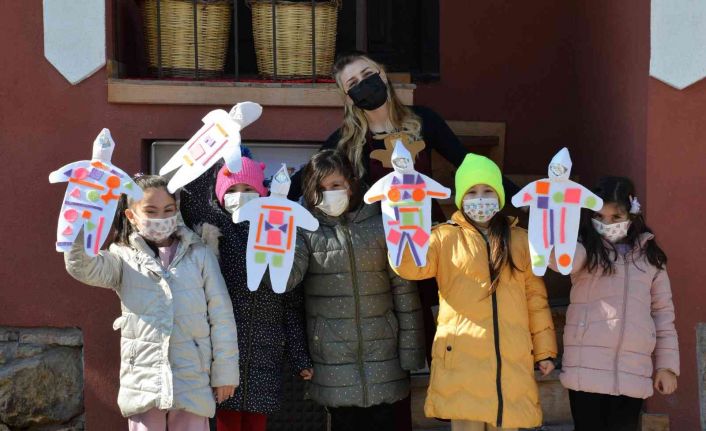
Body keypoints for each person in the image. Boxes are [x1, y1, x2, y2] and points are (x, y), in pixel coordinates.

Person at [393, 154, 557, 431]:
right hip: (462, 360)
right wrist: (401, 227)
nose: (480, 198)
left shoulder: (519, 240)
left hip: (510, 361)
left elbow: (535, 300)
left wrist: (545, 351)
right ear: (460, 198)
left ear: (499, 196)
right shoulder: (444, 237)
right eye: (472, 192)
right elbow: (410, 267)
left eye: (487, 191)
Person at [63, 174, 239, 431]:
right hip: (143, 379)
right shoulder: (122, 257)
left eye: (168, 210)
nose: (160, 218)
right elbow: (84, 267)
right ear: (131, 216)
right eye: (150, 211)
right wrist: (79, 225)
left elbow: (221, 316)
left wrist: (225, 373)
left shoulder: (199, 254)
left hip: (192, 377)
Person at [287, 149, 426, 431]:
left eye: (335, 185)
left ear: (350, 183)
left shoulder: (381, 222)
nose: (329, 193)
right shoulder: (305, 228)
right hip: (332, 356)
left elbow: (404, 291)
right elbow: (287, 282)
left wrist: (411, 353)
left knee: (386, 421)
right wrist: (270, 241)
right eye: (321, 188)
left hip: (383, 354)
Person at [178, 154, 312, 431]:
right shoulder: (218, 226)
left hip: (268, 348)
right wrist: (218, 149)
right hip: (225, 348)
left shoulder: (279, 229)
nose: (240, 197)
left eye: (248, 190)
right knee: (225, 419)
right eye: (232, 191)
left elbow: (291, 302)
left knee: (256, 421)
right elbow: (191, 197)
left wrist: (300, 357)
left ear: (262, 193)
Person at [549, 176, 679, 431]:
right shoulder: (584, 249)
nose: (606, 224)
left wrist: (667, 366)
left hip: (632, 373)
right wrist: (554, 220)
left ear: (632, 215)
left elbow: (663, 314)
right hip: (585, 372)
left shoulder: (651, 259)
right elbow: (561, 261)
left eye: (616, 218)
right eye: (599, 216)